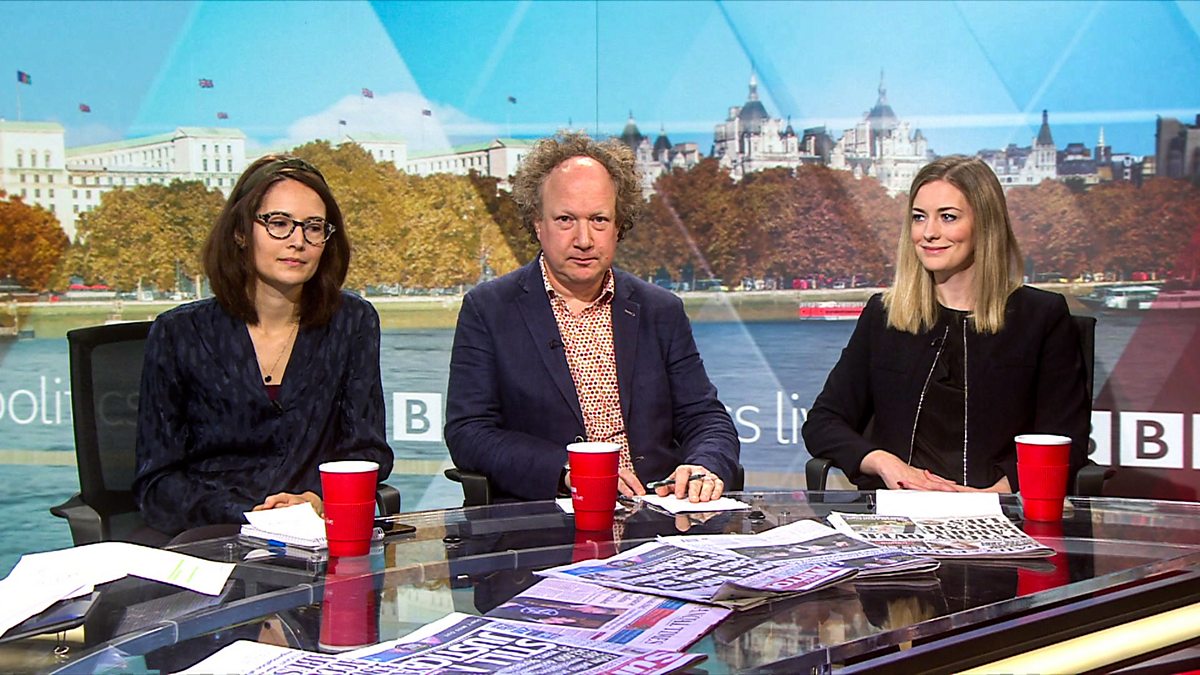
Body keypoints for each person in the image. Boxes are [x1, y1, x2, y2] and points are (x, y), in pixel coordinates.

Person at [444, 131, 739, 503]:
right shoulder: (489, 309)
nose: (584, 239)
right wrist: (569, 470)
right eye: (566, 219)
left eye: (599, 220)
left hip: (655, 512)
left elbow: (705, 417)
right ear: (538, 224)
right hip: (548, 514)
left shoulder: (660, 310)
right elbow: (469, 432)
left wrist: (704, 465)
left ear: (618, 226)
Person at [133, 155, 393, 536]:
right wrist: (249, 513)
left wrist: (317, 498)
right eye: (279, 223)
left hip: (315, 531)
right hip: (215, 533)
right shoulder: (178, 333)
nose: (298, 241)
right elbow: (156, 483)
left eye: (313, 228)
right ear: (241, 232)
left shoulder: (352, 322)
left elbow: (368, 451)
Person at [801, 155, 1089, 492]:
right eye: (919, 217)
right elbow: (823, 422)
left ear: (985, 224)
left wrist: (993, 496)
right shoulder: (885, 315)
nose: (929, 233)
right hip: (897, 509)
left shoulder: (1041, 316)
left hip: (999, 509)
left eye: (948, 217)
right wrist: (885, 464)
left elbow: (1062, 439)